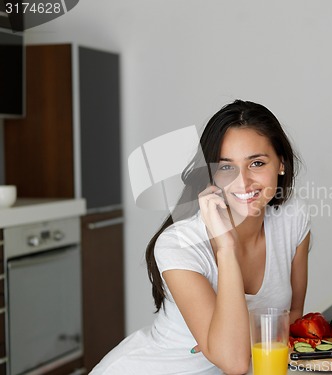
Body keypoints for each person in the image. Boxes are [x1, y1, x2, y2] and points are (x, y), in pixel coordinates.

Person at [90, 100, 311, 375]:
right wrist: (226, 248)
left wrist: (232, 335)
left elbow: (293, 320)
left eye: (256, 162)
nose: (243, 182)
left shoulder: (292, 218)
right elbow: (234, 361)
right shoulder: (178, 244)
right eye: (227, 167)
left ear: (281, 163)